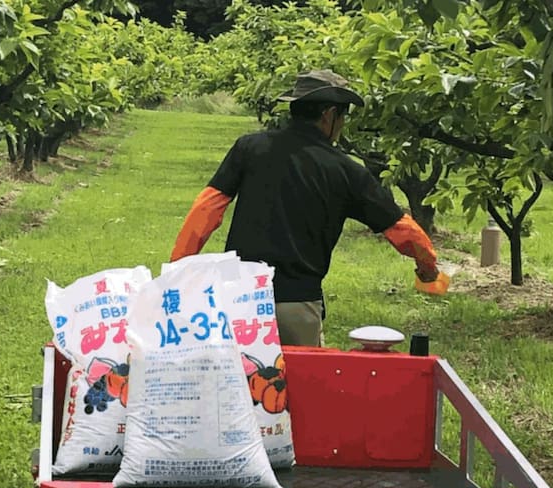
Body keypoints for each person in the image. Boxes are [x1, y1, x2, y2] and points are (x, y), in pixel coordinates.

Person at [170, 69, 449, 347]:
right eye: (343, 116)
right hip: (297, 303)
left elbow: (206, 209)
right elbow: (401, 229)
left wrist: (176, 270)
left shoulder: (249, 147)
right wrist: (428, 268)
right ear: (329, 115)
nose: (342, 125)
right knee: (300, 385)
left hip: (239, 299)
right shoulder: (346, 171)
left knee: (238, 385)